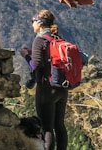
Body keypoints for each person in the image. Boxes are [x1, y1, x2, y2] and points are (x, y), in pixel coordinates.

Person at [20, 9, 68, 150]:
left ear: (40, 23)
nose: (32, 24)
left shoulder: (39, 40)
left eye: (33, 21)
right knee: (59, 125)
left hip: (46, 88)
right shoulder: (57, 38)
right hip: (62, 87)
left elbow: (35, 65)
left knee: (47, 127)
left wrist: (25, 55)